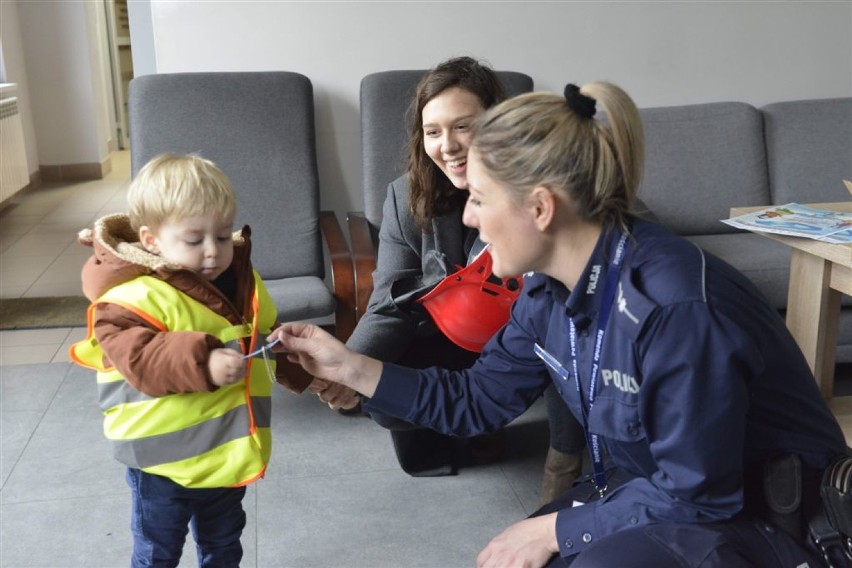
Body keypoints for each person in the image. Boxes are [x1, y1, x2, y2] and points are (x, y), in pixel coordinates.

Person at [271, 83, 850, 567]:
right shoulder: (544, 292)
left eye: (477, 198)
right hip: (649, 488)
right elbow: (477, 399)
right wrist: (351, 366)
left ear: (541, 208)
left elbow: (700, 495)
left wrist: (554, 532)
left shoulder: (674, 310)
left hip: (767, 517)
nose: (468, 216)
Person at [319, 55, 586, 487]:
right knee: (384, 397)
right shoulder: (404, 197)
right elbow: (389, 302)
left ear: (498, 123)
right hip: (447, 333)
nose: (447, 145)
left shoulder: (540, 191)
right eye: (433, 131)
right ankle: (460, 429)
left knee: (555, 324)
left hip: (523, 338)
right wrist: (351, 366)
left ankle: (563, 457)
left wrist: (563, 463)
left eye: (463, 126)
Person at [70, 153, 302, 567]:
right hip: (160, 467)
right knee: (158, 551)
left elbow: (262, 335)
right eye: (194, 240)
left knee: (224, 544)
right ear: (152, 240)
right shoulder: (130, 299)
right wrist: (204, 360)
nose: (213, 251)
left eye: (222, 234)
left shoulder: (243, 283)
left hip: (225, 457)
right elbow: (138, 356)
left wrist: (297, 364)